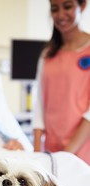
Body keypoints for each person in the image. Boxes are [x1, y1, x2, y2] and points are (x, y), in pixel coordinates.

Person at [33, 0, 90, 165]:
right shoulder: (47, 54)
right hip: (52, 152)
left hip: (82, 151)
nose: (60, 15)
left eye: (68, 6)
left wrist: (67, 154)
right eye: (54, 9)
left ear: (82, 6)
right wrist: (36, 155)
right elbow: (40, 106)